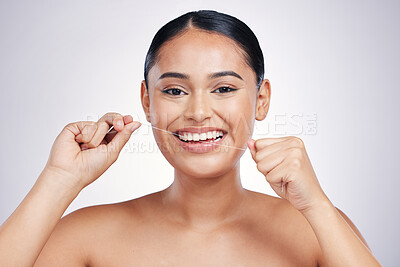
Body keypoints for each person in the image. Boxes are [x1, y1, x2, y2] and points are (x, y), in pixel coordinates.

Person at [0, 10, 381, 266]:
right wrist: (58, 181)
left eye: (224, 89)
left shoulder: (318, 229)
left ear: (261, 100)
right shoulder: (84, 238)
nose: (198, 112)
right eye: (175, 92)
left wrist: (316, 206)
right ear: (147, 102)